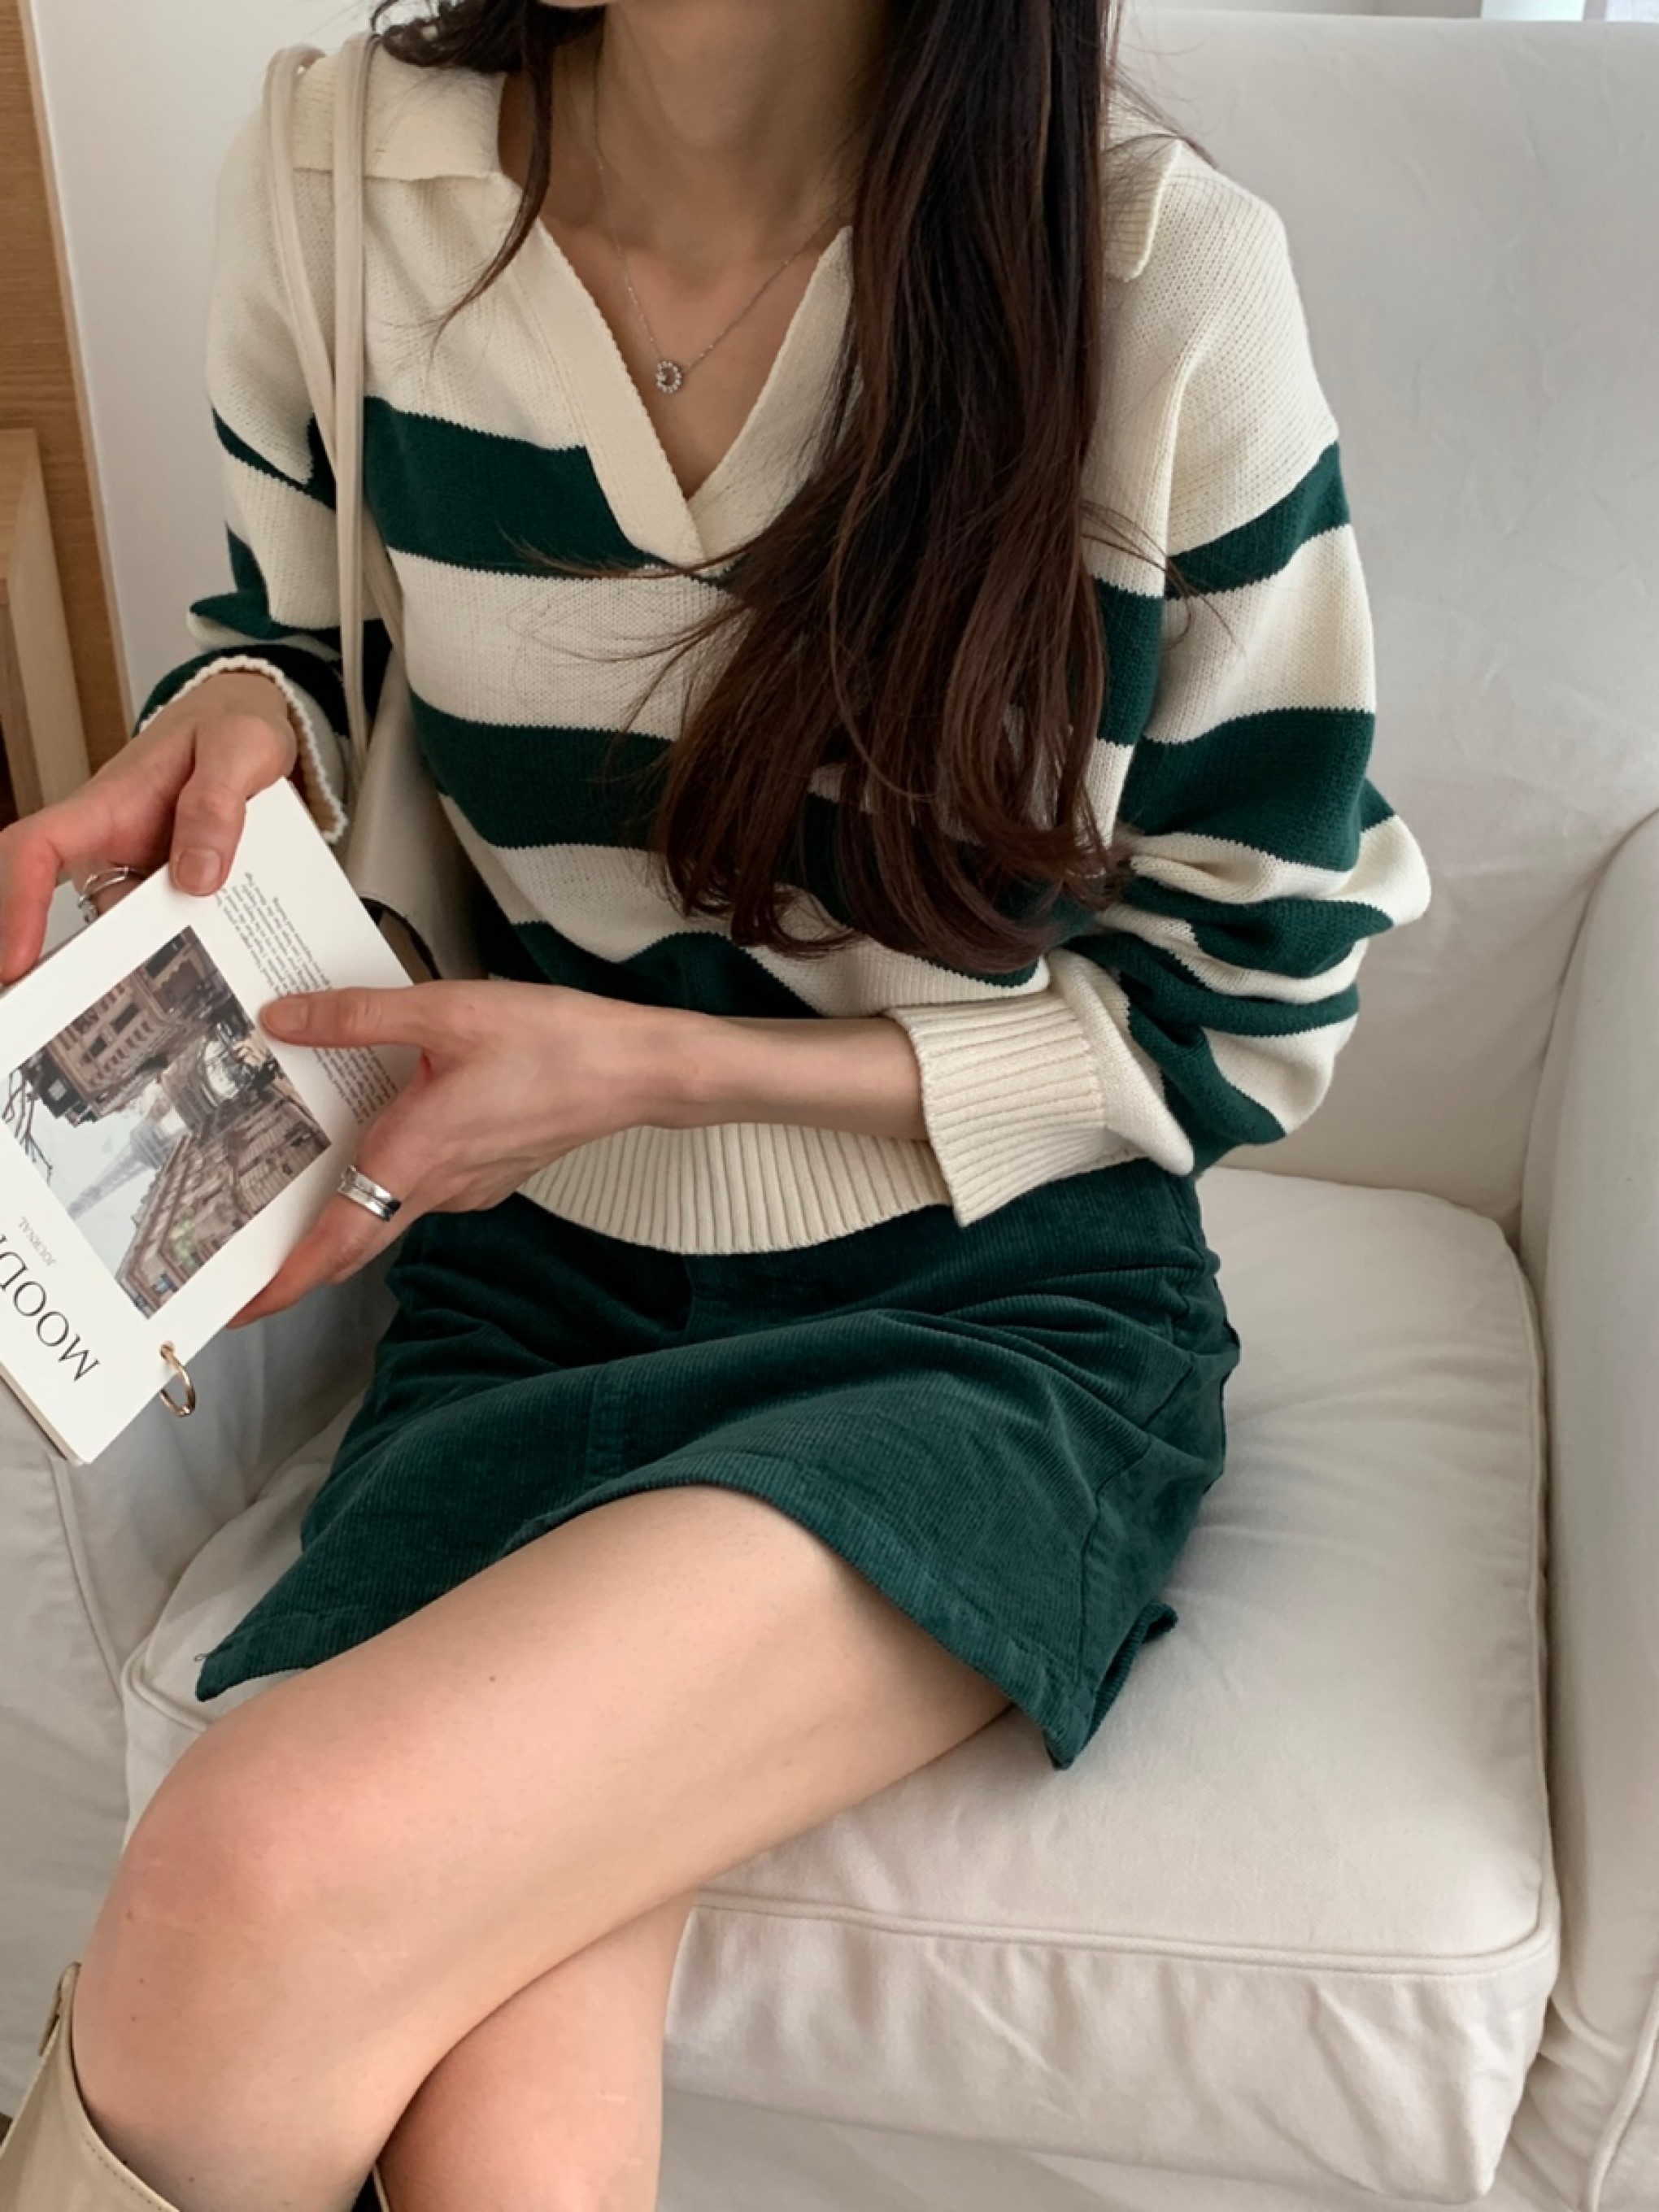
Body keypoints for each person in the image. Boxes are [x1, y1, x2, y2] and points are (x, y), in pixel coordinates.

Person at [0, 2, 1431, 2209]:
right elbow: (301, 649)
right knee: (497, 2129)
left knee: (251, 1867)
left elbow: (1250, 997)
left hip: (987, 1312)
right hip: (530, 1300)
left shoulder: (1150, 279)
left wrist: (657, 1067)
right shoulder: (342, 177)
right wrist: (235, 725)